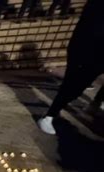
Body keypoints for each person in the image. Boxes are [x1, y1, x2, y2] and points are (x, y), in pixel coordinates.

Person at [37, 0, 104, 135]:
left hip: (98, 53)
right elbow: (92, 29)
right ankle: (48, 116)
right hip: (84, 50)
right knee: (72, 87)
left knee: (78, 86)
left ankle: (94, 105)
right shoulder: (97, 6)